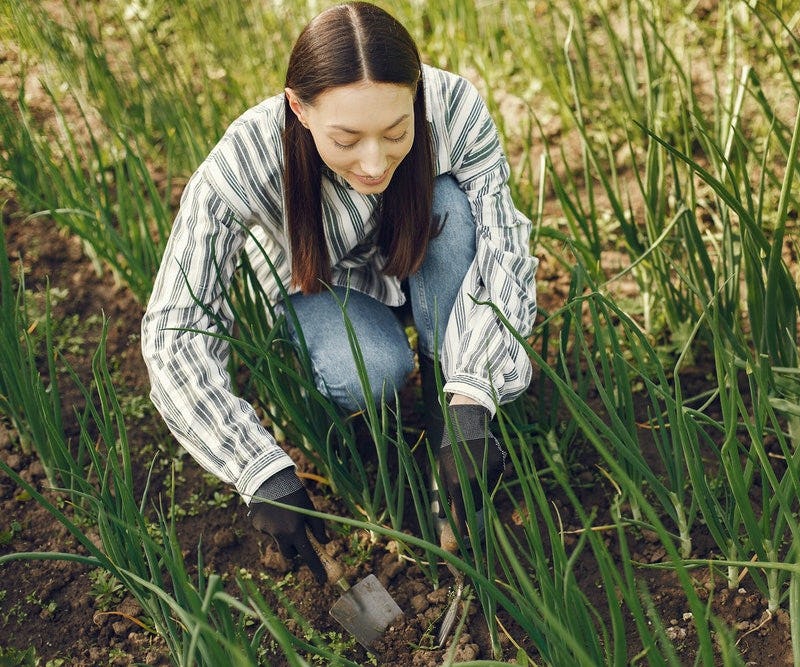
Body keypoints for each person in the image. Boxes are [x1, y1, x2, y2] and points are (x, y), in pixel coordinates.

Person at [140, 2, 537, 583]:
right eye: (346, 139)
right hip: (319, 284)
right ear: (298, 108)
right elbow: (174, 328)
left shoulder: (454, 107)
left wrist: (476, 397)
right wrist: (260, 472)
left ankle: (447, 429)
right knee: (370, 371)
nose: (374, 163)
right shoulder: (248, 155)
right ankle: (349, 422)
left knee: (451, 203)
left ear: (416, 94)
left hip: (423, 259)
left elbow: (503, 250)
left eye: (396, 133)